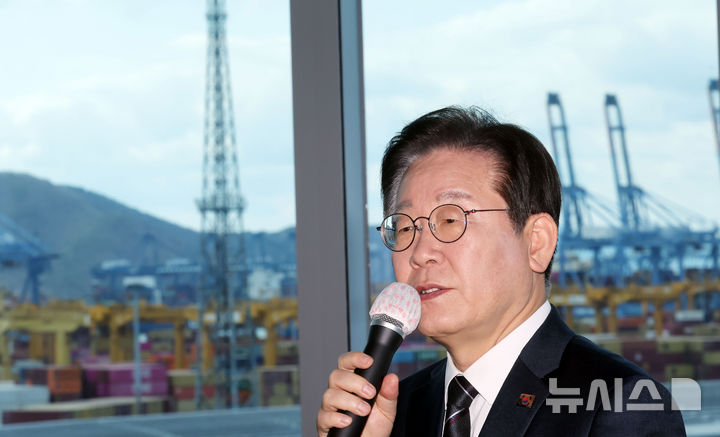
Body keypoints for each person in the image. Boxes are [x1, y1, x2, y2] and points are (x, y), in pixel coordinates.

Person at [317, 106, 685, 437]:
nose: (421, 253)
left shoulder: (621, 407)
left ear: (536, 243)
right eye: (404, 226)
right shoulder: (394, 413)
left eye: (450, 220)